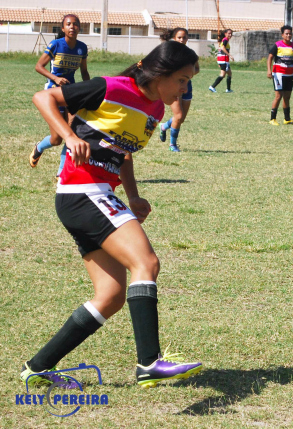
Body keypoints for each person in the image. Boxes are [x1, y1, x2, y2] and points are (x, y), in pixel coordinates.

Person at [20, 41, 203, 390]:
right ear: (160, 73)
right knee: (146, 263)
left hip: (96, 195)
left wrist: (133, 196)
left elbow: (124, 153)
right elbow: (43, 98)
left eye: (188, 82)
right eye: (181, 80)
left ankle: (39, 366)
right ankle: (149, 363)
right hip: (82, 192)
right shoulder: (111, 87)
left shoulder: (155, 110)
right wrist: (69, 136)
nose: (184, 88)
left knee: (111, 295)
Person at [29, 14, 90, 174]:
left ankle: (61, 172)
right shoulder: (56, 45)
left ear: (79, 28)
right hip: (53, 94)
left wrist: (88, 90)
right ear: (63, 28)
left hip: (72, 93)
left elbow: (84, 72)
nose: (72, 27)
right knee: (56, 139)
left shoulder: (82, 48)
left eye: (75, 24)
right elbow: (39, 66)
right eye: (68, 24)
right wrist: (56, 78)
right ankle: (39, 147)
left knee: (74, 132)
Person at [158, 28, 200, 152]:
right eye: (179, 37)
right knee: (179, 115)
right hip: (173, 86)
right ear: (174, 38)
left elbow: (197, 68)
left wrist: (188, 75)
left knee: (181, 118)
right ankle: (172, 145)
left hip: (187, 86)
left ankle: (164, 126)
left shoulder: (191, 53)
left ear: (187, 39)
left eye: (184, 37)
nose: (182, 40)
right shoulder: (169, 51)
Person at [267, 25, 293, 125]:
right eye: (286, 33)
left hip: (289, 75)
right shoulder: (277, 45)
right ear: (282, 35)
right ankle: (272, 119)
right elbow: (270, 58)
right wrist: (269, 70)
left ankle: (287, 119)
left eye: (290, 33)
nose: (288, 35)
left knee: (287, 97)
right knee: (278, 96)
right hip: (279, 74)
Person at [209, 29, 234, 93]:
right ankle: (212, 87)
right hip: (224, 59)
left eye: (231, 34)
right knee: (222, 75)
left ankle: (228, 89)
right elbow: (222, 48)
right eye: (229, 33)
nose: (230, 35)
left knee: (229, 73)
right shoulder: (225, 40)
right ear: (225, 33)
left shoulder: (225, 40)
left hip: (223, 59)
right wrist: (229, 55)